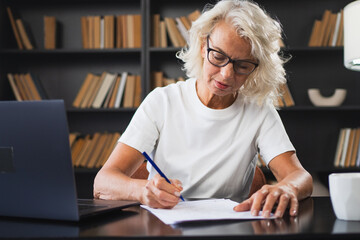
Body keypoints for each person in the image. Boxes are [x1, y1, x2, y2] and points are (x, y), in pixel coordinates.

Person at [93, 0, 313, 218]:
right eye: (218, 56)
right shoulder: (162, 102)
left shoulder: (259, 111)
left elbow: (299, 176)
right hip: (164, 228)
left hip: (229, 228)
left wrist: (287, 187)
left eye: (243, 65)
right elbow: (103, 182)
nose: (227, 74)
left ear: (256, 69)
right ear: (201, 45)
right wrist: (142, 190)